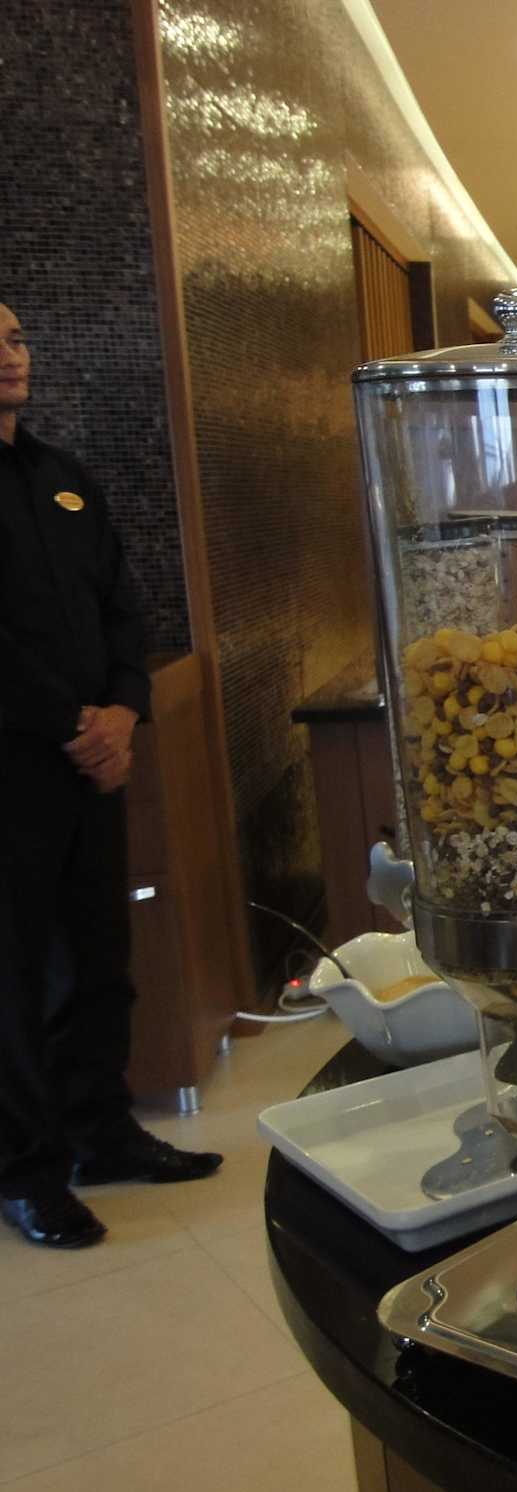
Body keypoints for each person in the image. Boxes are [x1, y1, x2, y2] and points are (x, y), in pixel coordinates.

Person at [0, 301, 221, 1251]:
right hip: (16, 765)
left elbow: (124, 606)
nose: (10, 356)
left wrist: (125, 708)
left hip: (94, 760)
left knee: (100, 958)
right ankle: (28, 1173)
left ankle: (102, 1134)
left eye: (15, 338)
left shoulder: (64, 478)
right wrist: (72, 724)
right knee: (14, 978)